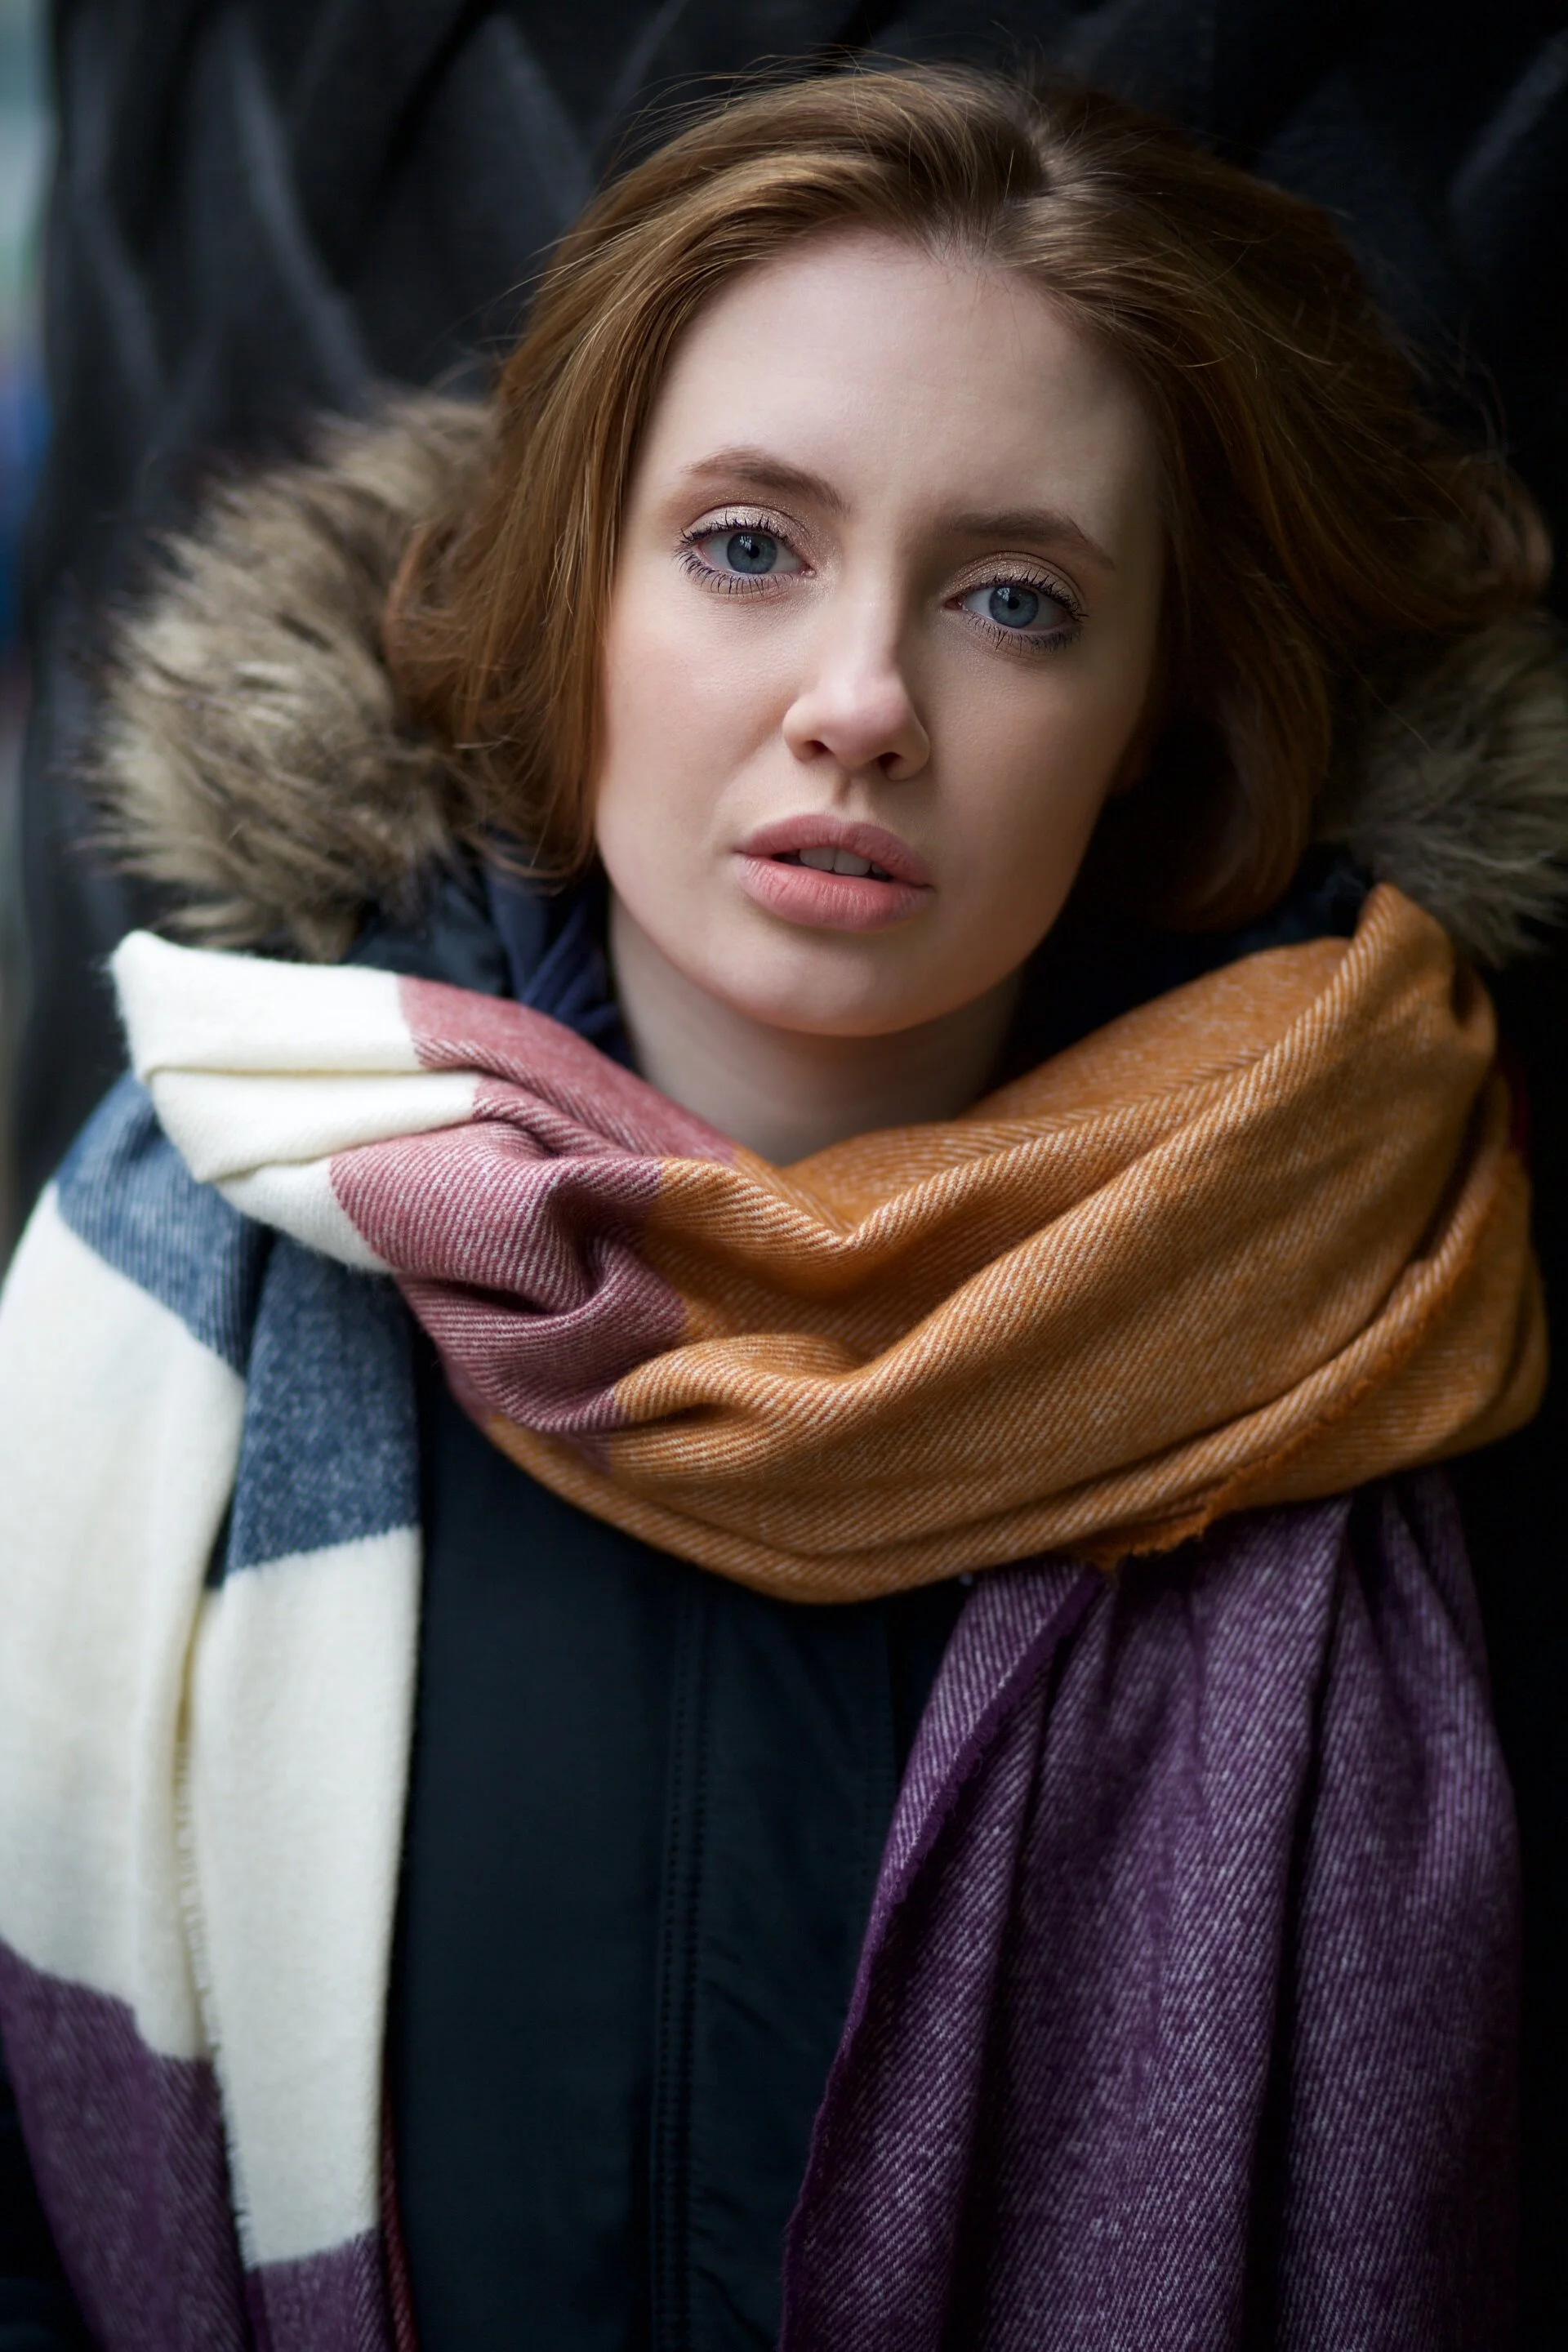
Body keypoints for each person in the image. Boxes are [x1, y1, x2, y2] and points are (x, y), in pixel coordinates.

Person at [1, 61, 1564, 2352]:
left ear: (1152, 707)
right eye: (749, 547)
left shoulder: (1378, 1318)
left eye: (1017, 599)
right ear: (580, 590)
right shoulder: (182, 1274)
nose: (862, 704)